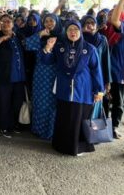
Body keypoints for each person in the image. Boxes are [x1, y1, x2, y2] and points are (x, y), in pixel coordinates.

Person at [41, 20, 104, 156]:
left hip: (83, 91)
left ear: (80, 31)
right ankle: (61, 146)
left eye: (76, 29)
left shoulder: (90, 49)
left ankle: (79, 147)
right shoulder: (59, 47)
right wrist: (48, 47)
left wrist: (99, 90)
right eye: (70, 29)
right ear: (66, 32)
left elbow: (96, 70)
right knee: (64, 117)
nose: (73, 32)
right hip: (64, 90)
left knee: (80, 119)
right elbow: (46, 61)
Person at [25, 13, 63, 140]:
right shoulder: (41, 37)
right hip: (40, 75)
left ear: (57, 22)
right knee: (39, 101)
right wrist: (40, 34)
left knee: (52, 104)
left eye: (51, 21)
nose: (49, 24)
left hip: (54, 75)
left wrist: (48, 49)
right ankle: (38, 129)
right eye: (46, 21)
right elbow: (27, 45)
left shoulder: (62, 38)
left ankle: (50, 131)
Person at [0, 14, 26, 138]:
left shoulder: (18, 36)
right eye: (3, 22)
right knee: (4, 103)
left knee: (17, 103)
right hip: (3, 76)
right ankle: (4, 126)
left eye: (8, 22)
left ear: (13, 24)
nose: (5, 24)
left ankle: (13, 124)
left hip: (19, 77)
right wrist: (3, 38)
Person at [81, 15, 111, 119]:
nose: (89, 25)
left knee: (96, 103)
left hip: (98, 78)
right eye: (86, 23)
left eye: (92, 23)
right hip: (83, 78)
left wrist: (107, 82)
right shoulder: (79, 38)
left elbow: (106, 61)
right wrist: (80, 32)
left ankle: (92, 132)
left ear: (96, 25)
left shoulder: (102, 39)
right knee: (83, 104)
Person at [108, 0, 124, 139]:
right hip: (117, 72)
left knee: (120, 103)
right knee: (117, 102)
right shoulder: (121, 29)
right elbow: (114, 19)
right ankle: (112, 127)